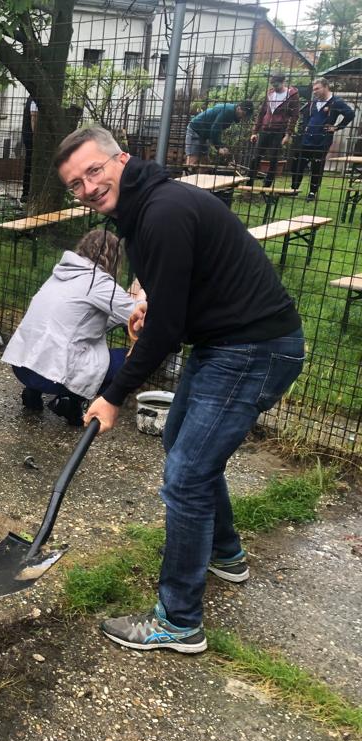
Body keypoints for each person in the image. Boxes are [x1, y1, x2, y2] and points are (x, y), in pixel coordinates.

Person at [55, 125, 304, 654]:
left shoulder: (162, 212)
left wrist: (113, 395)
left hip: (251, 349)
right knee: (183, 451)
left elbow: (166, 334)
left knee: (187, 476)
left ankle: (179, 620)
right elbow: (183, 287)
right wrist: (153, 302)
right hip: (225, 343)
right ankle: (225, 553)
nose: (88, 188)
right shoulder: (142, 209)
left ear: (121, 159)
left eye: (93, 171)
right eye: (75, 184)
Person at [1, 229, 138, 426]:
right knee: (129, 361)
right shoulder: (99, 282)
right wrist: (141, 293)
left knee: (54, 338)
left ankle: (33, 393)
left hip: (22, 367)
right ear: (114, 258)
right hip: (51, 377)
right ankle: (72, 400)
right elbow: (137, 315)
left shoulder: (61, 273)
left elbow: (80, 321)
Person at [290, 77, 356, 201]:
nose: (314, 92)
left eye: (317, 89)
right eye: (313, 89)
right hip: (307, 139)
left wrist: (337, 127)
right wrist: (305, 127)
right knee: (298, 163)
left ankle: (312, 192)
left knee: (317, 166)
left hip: (322, 140)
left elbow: (350, 114)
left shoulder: (336, 102)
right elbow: (307, 115)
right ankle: (294, 189)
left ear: (326, 87)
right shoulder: (313, 102)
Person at [248, 74, 300, 187]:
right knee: (256, 157)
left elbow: (295, 116)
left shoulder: (292, 95)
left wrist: (288, 134)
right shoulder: (270, 93)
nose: (275, 87)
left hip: (279, 130)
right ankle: (248, 184)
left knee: (273, 159)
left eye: (277, 85)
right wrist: (255, 132)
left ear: (283, 82)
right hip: (265, 129)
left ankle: (266, 186)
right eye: (273, 85)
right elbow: (262, 113)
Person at [185, 100, 253, 167]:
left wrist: (221, 145)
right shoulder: (228, 111)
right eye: (243, 114)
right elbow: (215, 129)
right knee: (192, 161)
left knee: (205, 162)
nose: (243, 117)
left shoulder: (232, 112)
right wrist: (218, 147)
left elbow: (217, 130)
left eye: (245, 116)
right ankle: (186, 173)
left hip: (204, 134)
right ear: (239, 108)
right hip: (196, 130)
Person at [21, 95, 38, 201]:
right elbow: (34, 118)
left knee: (29, 163)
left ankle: (26, 193)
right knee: (30, 163)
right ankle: (26, 193)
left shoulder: (32, 97)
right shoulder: (35, 98)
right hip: (31, 137)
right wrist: (36, 138)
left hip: (28, 135)